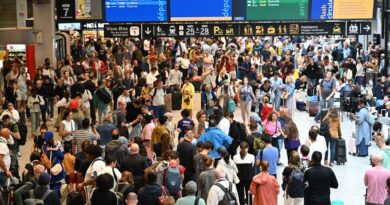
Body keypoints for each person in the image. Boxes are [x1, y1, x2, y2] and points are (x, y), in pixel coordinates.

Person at [42, 131, 66, 197]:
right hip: (57, 171)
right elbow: (62, 156)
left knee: (50, 186)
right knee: (57, 187)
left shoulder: (44, 147)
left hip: (49, 170)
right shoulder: (55, 148)